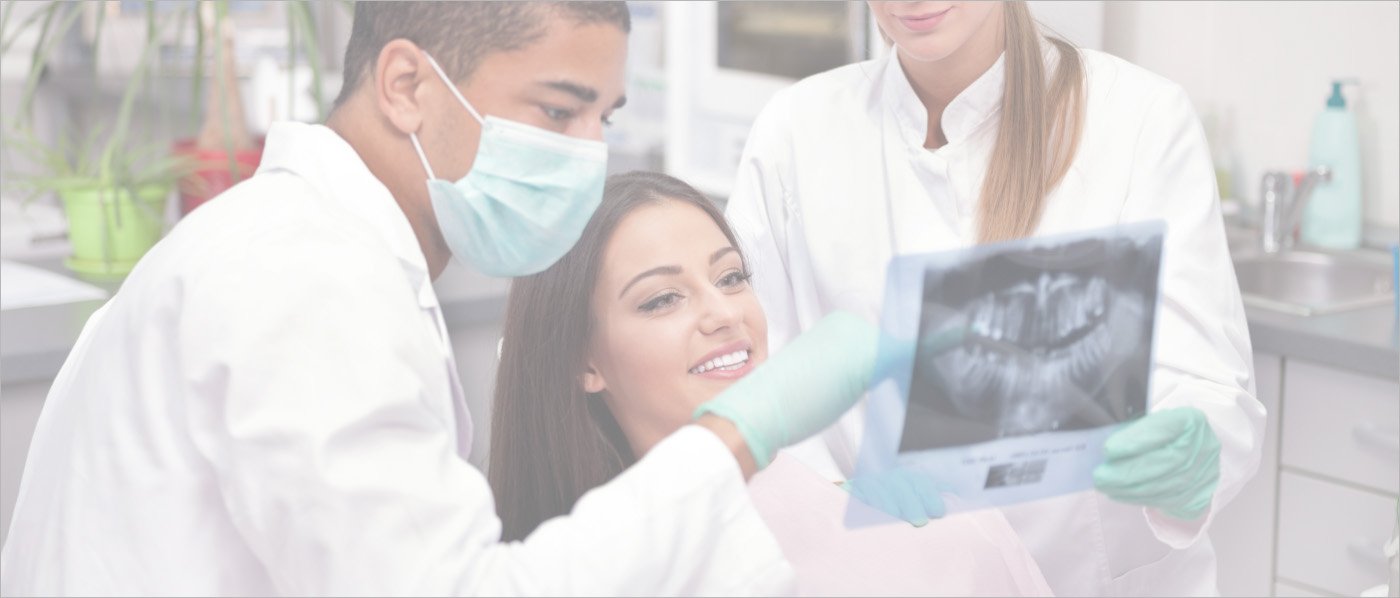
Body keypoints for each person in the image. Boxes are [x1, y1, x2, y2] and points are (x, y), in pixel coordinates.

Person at [0, 4, 878, 595]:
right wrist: (735, 432)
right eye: (558, 113)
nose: (589, 155)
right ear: (407, 87)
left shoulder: (307, 251)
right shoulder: (299, 279)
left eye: (602, 118)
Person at [724, 1, 1265, 595]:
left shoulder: (1138, 119)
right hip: (885, 576)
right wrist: (822, 494)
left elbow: (1207, 381)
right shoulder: (796, 131)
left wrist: (1189, 451)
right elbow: (747, 383)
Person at [488, 170, 1054, 597]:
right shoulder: (591, 565)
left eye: (731, 276)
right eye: (662, 299)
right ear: (583, 363)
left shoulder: (925, 532)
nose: (724, 313)